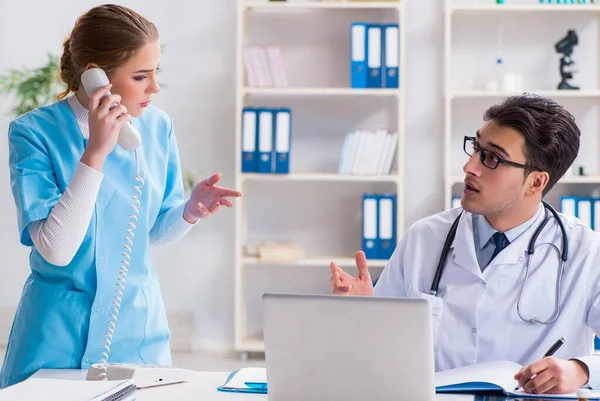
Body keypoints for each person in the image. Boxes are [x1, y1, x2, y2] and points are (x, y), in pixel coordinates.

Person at [1, 4, 241, 388]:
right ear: (96, 76)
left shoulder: (157, 127)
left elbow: (151, 233)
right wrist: (95, 153)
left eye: (155, 73)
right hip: (56, 335)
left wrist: (189, 212)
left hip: (136, 335)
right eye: (141, 76)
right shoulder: (33, 133)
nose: (155, 88)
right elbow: (56, 249)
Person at [330, 94, 600, 395]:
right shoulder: (425, 238)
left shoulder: (586, 253)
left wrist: (582, 370)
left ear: (536, 183)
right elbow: (378, 354)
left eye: (492, 158)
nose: (469, 166)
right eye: (476, 148)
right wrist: (362, 312)